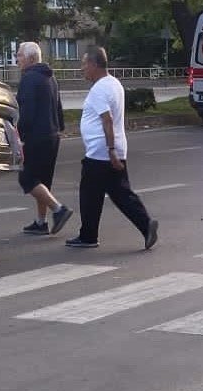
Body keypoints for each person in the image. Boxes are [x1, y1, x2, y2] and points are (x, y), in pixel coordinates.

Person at [66, 46, 159, 250]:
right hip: (112, 148)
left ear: (94, 64)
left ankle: (88, 236)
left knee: (89, 194)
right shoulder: (114, 83)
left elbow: (107, 120)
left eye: (84, 64)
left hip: (101, 152)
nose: (82, 69)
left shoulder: (100, 89)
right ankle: (146, 224)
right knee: (120, 192)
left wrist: (110, 151)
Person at [14, 41, 73, 235]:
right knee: (43, 180)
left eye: (19, 55)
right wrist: (60, 127)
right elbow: (58, 106)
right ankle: (41, 222)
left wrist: (20, 135)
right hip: (52, 134)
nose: (17, 59)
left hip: (36, 136)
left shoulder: (29, 79)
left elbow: (27, 112)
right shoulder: (50, 77)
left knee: (27, 178)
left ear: (30, 58)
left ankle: (58, 209)